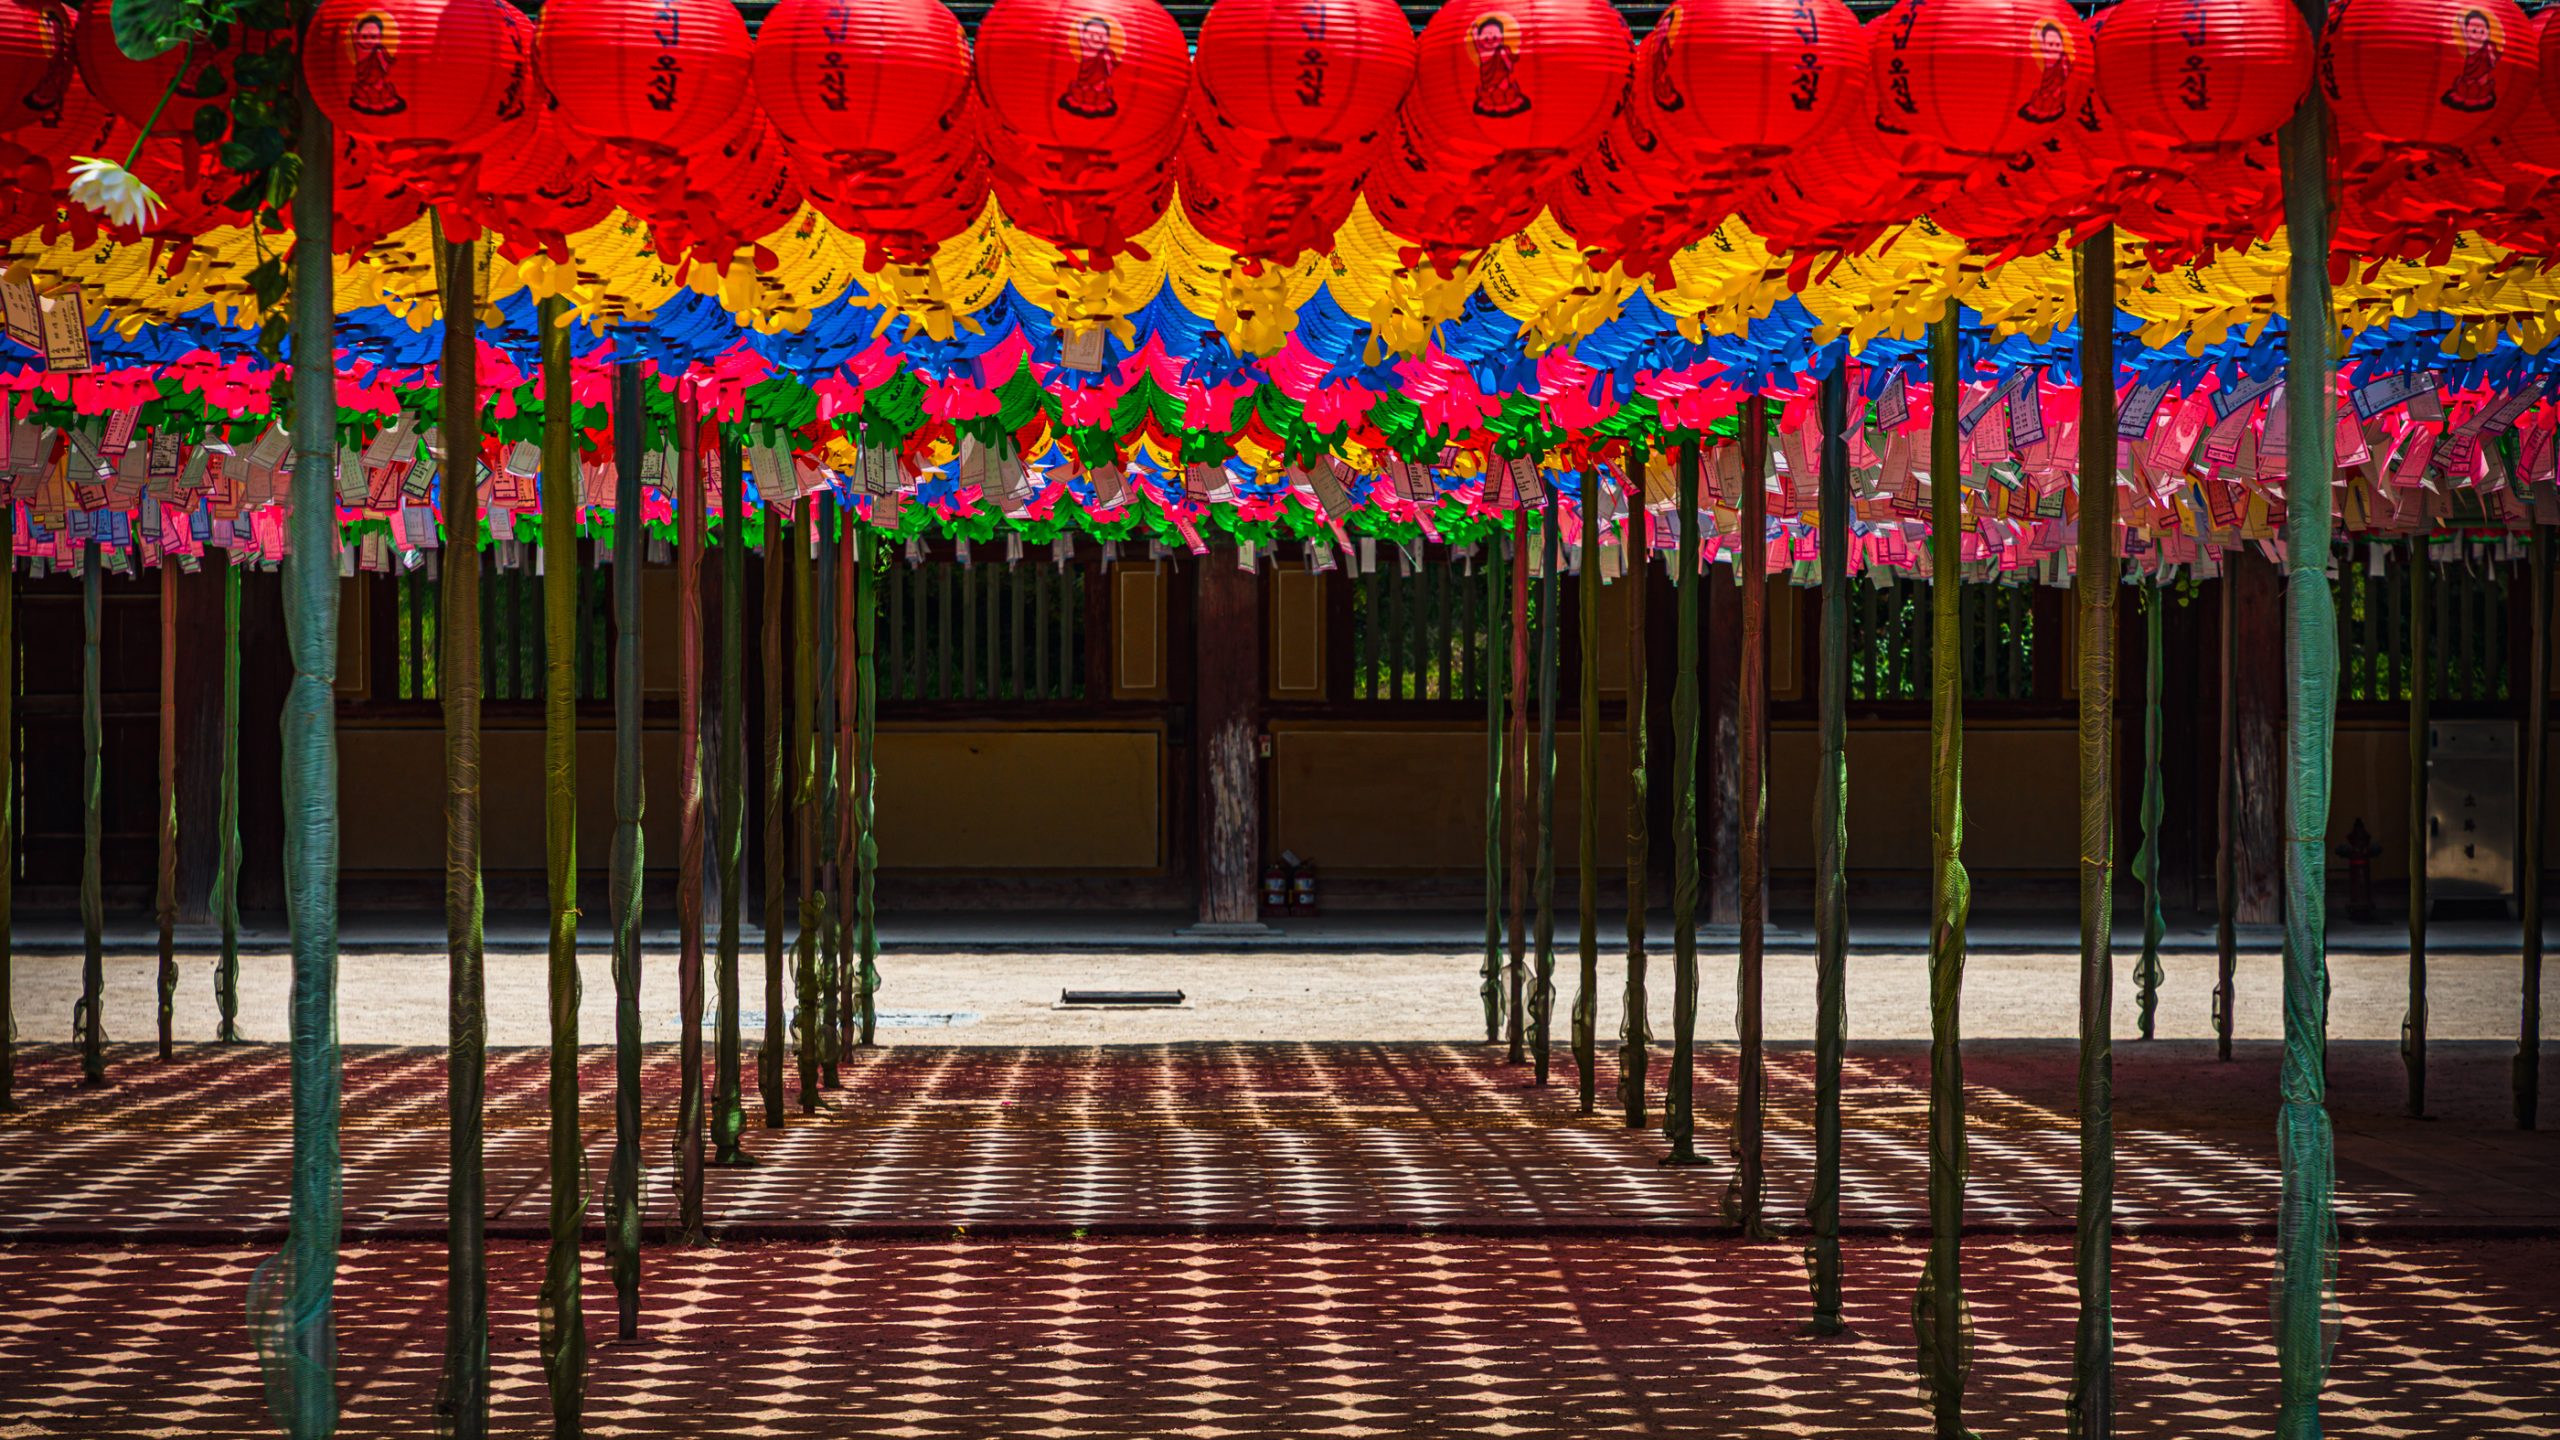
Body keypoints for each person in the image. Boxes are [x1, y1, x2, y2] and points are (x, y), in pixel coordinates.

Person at [346, 14, 407, 118]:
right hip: (364, 87)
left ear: (380, 37)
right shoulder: (360, 49)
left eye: (373, 37)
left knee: (383, 90)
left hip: (378, 86)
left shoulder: (380, 51)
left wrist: (382, 58)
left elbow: (385, 68)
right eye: (364, 37)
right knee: (363, 91)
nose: (369, 40)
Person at [1059, 17, 1119, 120]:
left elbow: (1112, 65)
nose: (1096, 39)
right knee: (1082, 89)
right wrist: (1080, 29)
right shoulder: (1086, 49)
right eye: (1092, 35)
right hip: (1084, 82)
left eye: (1101, 36)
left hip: (1099, 84)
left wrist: (1108, 59)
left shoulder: (1107, 53)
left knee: (1099, 89)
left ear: (1108, 39)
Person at [2014, 20, 2072, 126]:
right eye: (2050, 44)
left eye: (2058, 44)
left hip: (2056, 87)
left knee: (2054, 96)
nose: (2054, 47)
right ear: (2044, 45)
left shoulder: (2063, 59)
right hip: (2046, 86)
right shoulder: (2047, 57)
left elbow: (2066, 71)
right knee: (2043, 96)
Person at [2441, 10, 2500, 114]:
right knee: (2467, 84)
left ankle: (2481, 93)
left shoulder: (2489, 46)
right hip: (2470, 73)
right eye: (2474, 31)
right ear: (2467, 31)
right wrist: (2461, 24)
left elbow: (2493, 60)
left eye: (2482, 31)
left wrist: (2492, 56)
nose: (2478, 34)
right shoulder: (2470, 44)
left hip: (2483, 73)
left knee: (2482, 82)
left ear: (2488, 32)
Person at [1472, 15, 1530, 120]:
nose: (1490, 39)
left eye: (1495, 37)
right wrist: (1474, 30)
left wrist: (1505, 57)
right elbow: (1475, 41)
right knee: (1491, 92)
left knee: (1504, 88)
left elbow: (1510, 66)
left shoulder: (1503, 51)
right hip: (1488, 85)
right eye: (1486, 38)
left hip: (1503, 81)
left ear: (1501, 38)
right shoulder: (1482, 51)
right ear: (1480, 39)